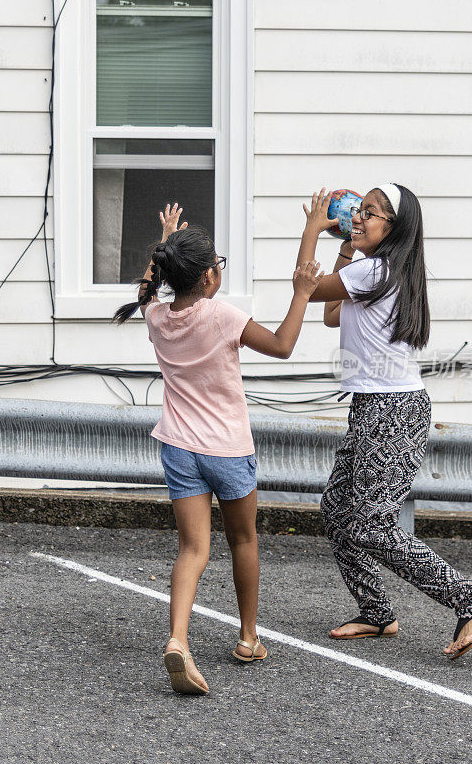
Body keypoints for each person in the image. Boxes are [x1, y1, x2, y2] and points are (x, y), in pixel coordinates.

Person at [114, 204, 322, 694]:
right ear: (209, 277)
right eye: (218, 265)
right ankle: (249, 637)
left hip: (178, 448)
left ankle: (178, 639)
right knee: (243, 541)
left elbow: (147, 290)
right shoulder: (223, 316)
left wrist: (163, 241)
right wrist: (302, 293)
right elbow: (282, 344)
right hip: (227, 448)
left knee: (192, 548)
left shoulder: (158, 318)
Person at [296, 186, 472, 659]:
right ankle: (376, 613)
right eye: (359, 211)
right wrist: (346, 244)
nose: (358, 217)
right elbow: (331, 313)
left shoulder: (378, 269)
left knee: (372, 524)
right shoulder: (376, 270)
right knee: (337, 509)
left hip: (393, 410)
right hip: (374, 407)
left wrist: (313, 230)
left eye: (369, 213)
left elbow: (305, 289)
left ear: (394, 228)